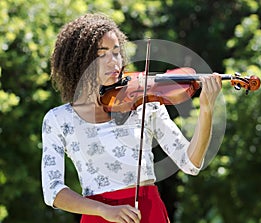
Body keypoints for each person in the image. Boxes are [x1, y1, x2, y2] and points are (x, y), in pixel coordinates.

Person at [41, 13, 222, 223]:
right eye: (102, 55)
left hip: (149, 212)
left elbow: (191, 163)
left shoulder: (144, 103)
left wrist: (207, 109)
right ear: (80, 62)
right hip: (99, 216)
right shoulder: (58, 119)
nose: (114, 61)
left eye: (117, 53)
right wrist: (104, 210)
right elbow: (53, 191)